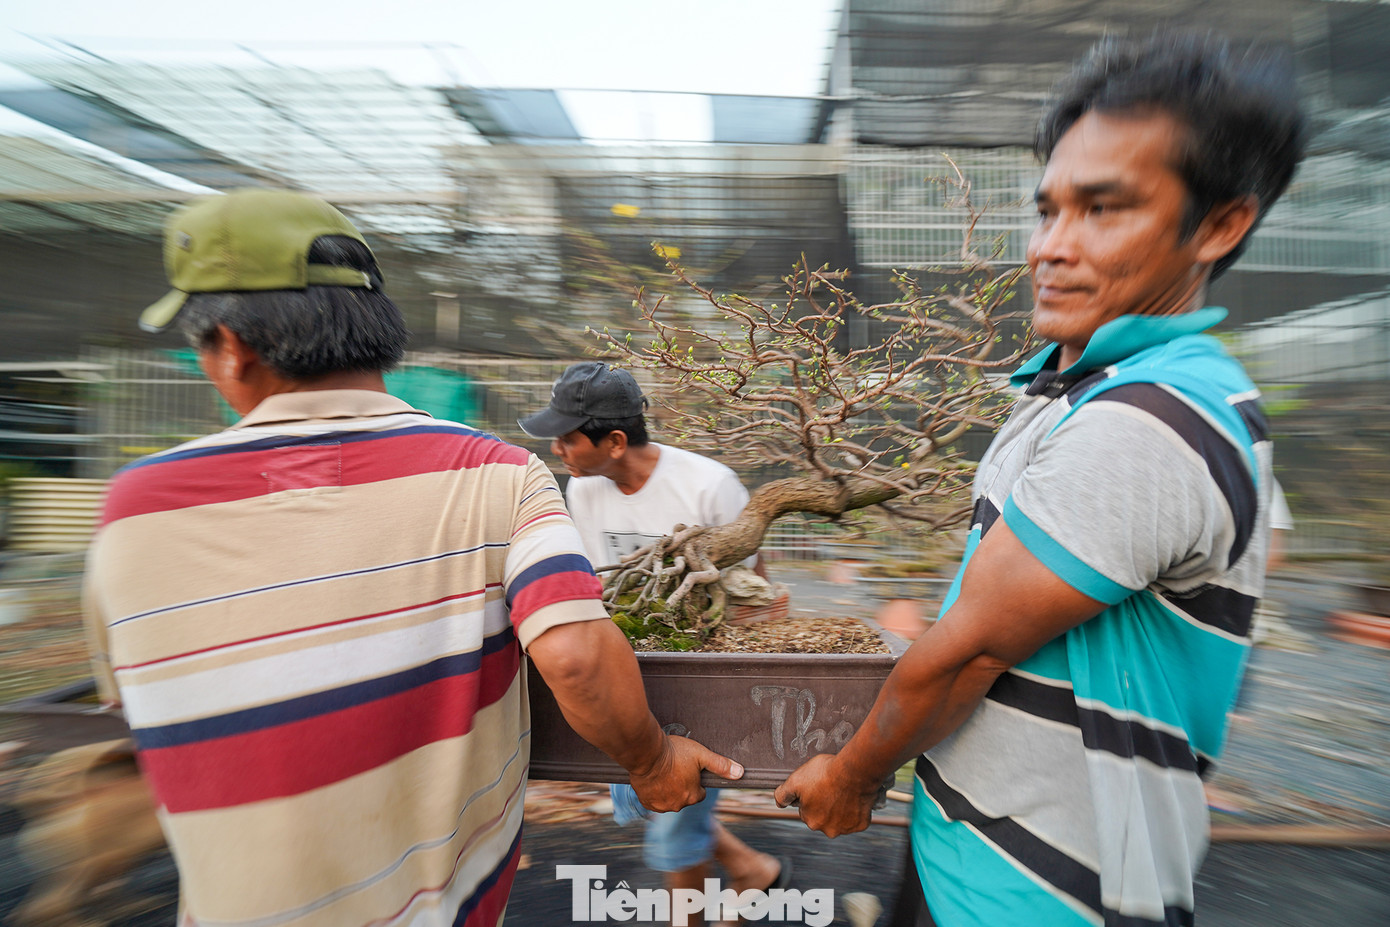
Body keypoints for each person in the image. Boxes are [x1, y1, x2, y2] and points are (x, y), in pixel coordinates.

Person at [82, 189, 740, 927]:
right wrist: (649, 759)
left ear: (230, 344)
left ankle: (724, 882)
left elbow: (141, 706)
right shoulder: (495, 477)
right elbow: (577, 653)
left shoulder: (132, 508)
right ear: (375, 331)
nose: (556, 449)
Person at [776, 31, 1305, 927]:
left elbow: (969, 651)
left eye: (1104, 210)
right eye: (1048, 208)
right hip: (986, 842)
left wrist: (853, 775)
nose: (1050, 247)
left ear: (1219, 224)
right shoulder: (1109, 384)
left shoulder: (1150, 416)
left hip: (1040, 888)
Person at [520, 362, 787, 922]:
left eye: (567, 437)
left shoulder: (708, 486)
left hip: (701, 675)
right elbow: (601, 584)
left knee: (671, 817)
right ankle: (750, 870)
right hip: (633, 666)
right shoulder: (584, 489)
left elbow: (751, 592)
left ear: (614, 442)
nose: (558, 448)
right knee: (655, 795)